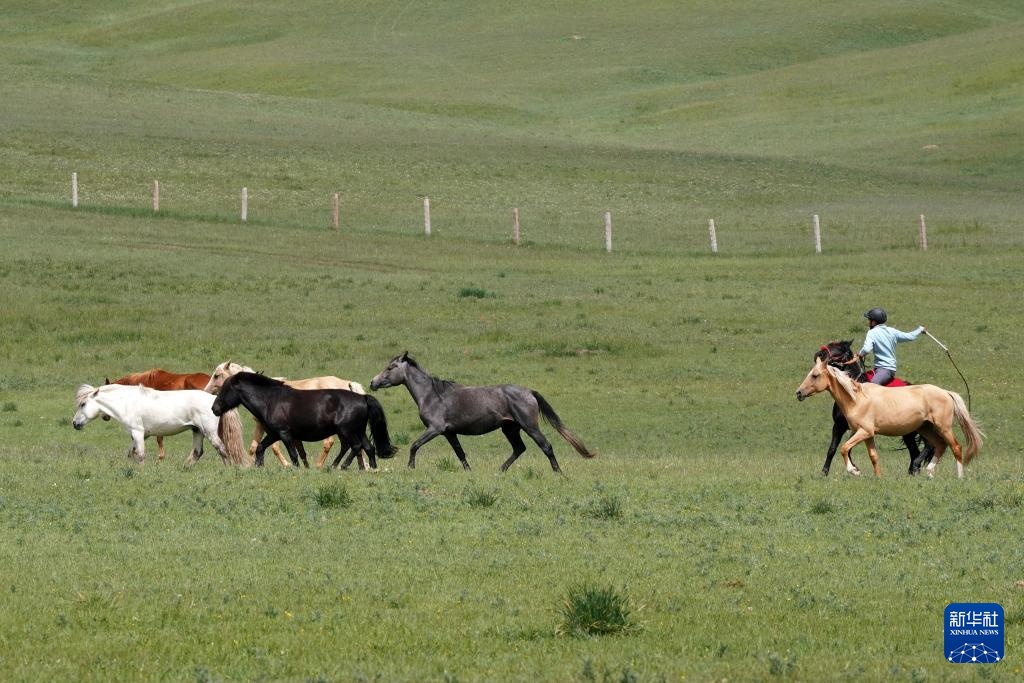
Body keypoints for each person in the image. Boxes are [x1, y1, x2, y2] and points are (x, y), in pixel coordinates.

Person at [857, 307, 926, 384]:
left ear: (873, 322)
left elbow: (866, 349)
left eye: (869, 320)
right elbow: (910, 336)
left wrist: (859, 354)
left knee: (871, 386)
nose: (868, 322)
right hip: (887, 369)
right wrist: (920, 329)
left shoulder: (872, 332)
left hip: (885, 369)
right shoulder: (892, 331)